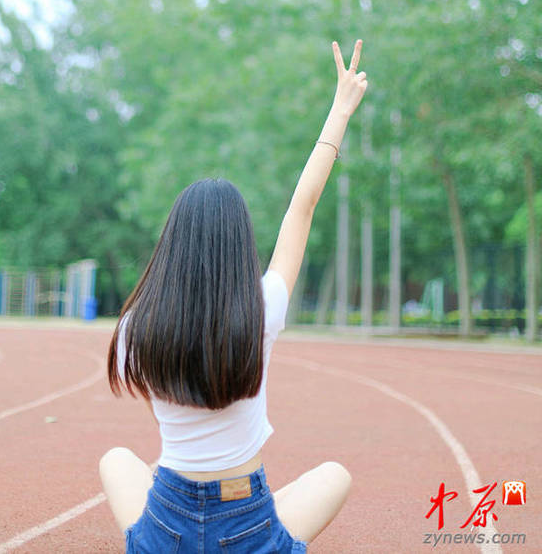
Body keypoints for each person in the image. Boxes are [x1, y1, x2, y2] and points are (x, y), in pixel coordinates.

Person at [100, 39, 368, 552]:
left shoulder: (137, 326)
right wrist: (339, 110)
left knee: (115, 459)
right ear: (241, 245)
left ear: (171, 242)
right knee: (335, 474)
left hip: (167, 524)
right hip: (248, 523)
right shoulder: (262, 308)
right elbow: (301, 208)